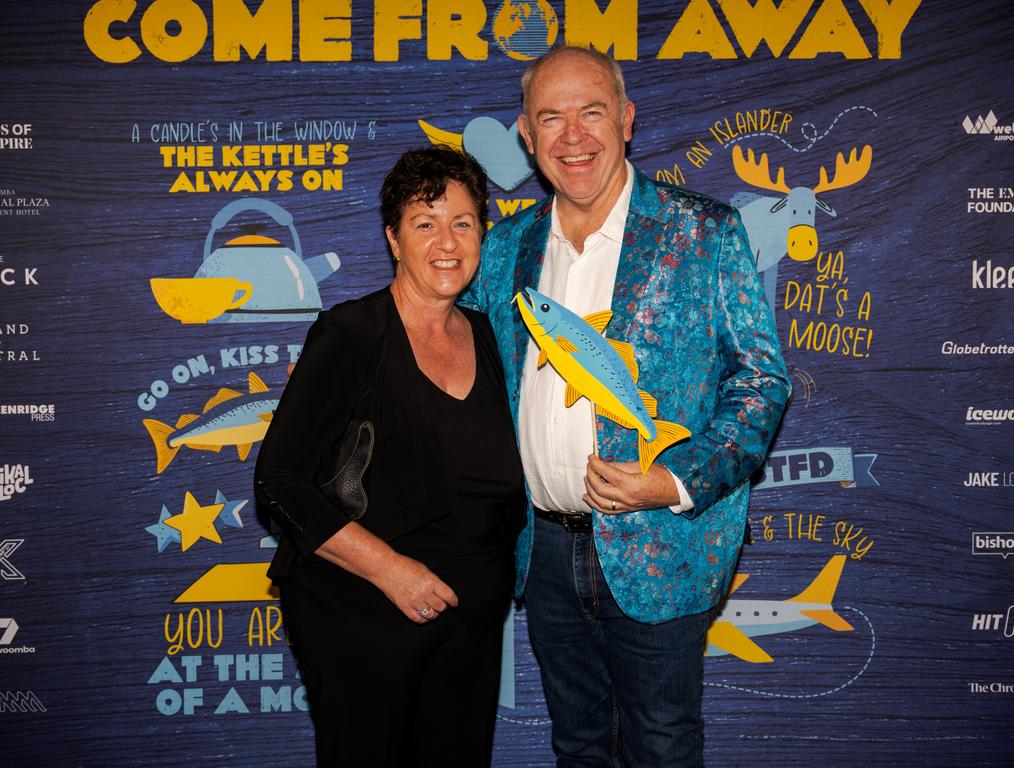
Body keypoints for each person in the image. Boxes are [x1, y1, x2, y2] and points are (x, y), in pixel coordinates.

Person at [461, 47, 791, 767]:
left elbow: (762, 382)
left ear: (628, 119)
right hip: (541, 549)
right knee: (579, 746)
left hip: (662, 547)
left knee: (663, 745)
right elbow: (447, 354)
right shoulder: (503, 249)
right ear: (525, 134)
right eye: (551, 117)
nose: (573, 136)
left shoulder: (704, 232)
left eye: (592, 112)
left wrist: (673, 482)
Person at [254, 146, 524, 768]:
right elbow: (280, 480)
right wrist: (389, 570)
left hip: (471, 622)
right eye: (424, 223)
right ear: (394, 240)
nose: (447, 241)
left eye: (462, 222)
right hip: (363, 613)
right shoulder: (350, 334)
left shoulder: (493, 336)